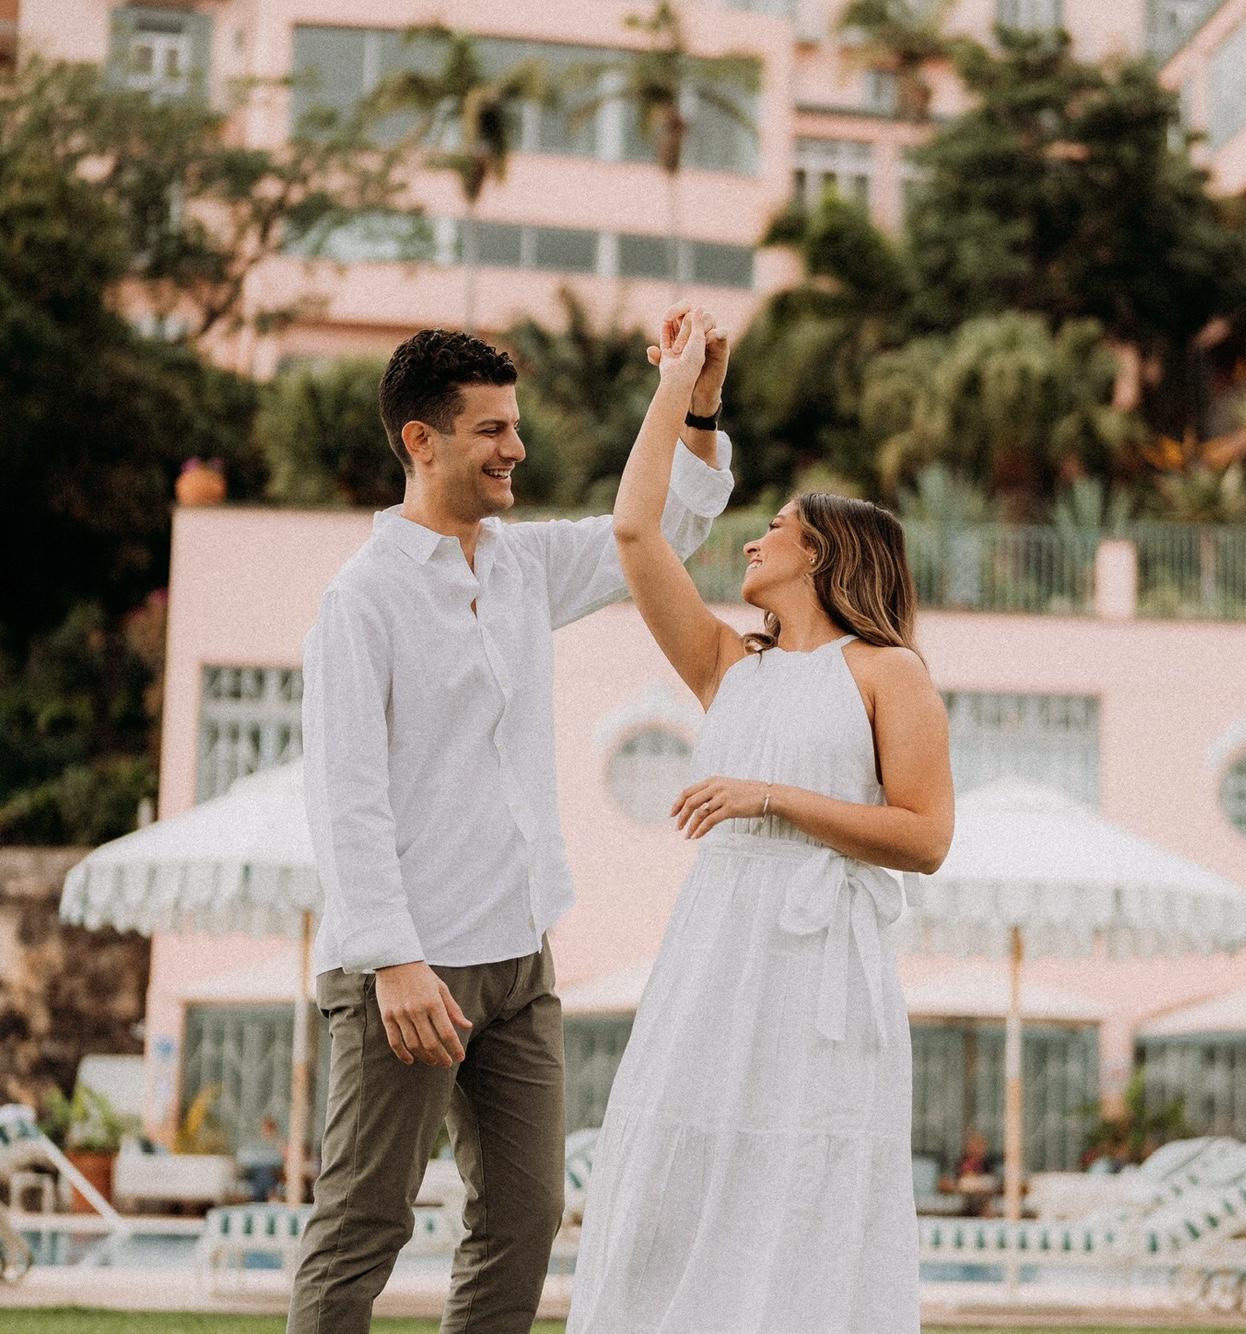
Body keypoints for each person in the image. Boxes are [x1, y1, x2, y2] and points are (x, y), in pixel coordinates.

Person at [287, 313, 734, 1334]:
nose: (516, 448)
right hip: (408, 967)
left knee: (526, 1214)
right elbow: (345, 796)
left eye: (514, 425)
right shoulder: (361, 601)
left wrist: (699, 403)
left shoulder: (524, 565)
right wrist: (394, 959)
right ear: (421, 440)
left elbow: (664, 532)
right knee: (363, 1223)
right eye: (491, 429)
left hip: (519, 955)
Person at [567, 308, 955, 1333]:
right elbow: (635, 531)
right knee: (678, 1159)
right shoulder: (725, 663)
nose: (751, 536)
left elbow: (924, 836)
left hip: (819, 962)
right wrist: (685, 392)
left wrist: (770, 797)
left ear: (827, 554)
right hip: (714, 948)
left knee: (803, 1172)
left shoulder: (889, 672)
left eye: (776, 525)